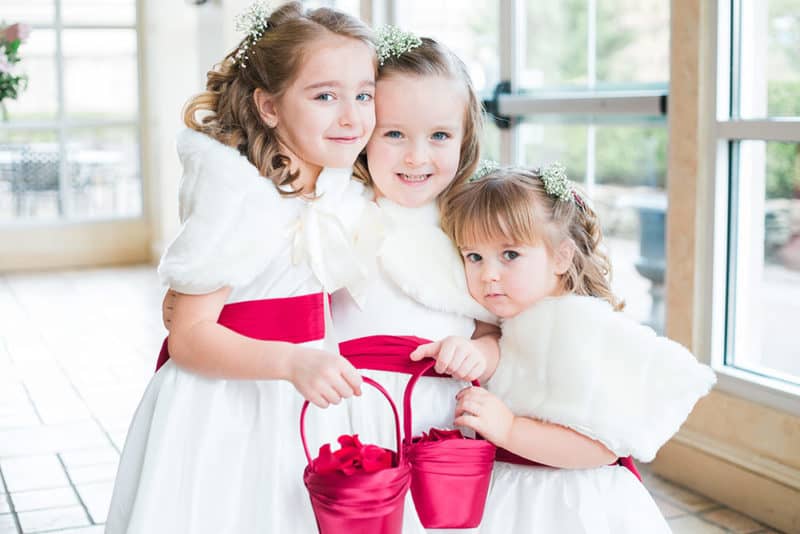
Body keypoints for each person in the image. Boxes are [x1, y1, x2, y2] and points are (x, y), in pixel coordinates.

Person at [105, 2, 378, 532]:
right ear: (269, 107)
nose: (352, 116)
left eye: (364, 95)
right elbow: (188, 337)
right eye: (324, 96)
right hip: (228, 402)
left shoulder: (340, 183)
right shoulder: (238, 195)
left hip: (306, 392)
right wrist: (293, 363)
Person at [437, 164, 717, 533]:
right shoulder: (522, 321)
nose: (488, 274)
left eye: (509, 255)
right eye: (474, 257)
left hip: (566, 499)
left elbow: (600, 446)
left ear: (561, 257)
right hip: (508, 488)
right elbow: (512, 360)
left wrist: (509, 430)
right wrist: (479, 352)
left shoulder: (580, 328)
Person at [328, 28, 499, 533]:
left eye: (440, 136)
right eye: (394, 133)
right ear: (363, 132)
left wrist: (482, 354)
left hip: (441, 425)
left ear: (465, 138)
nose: (416, 157)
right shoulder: (337, 214)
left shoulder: (473, 226)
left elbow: (498, 328)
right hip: (347, 416)